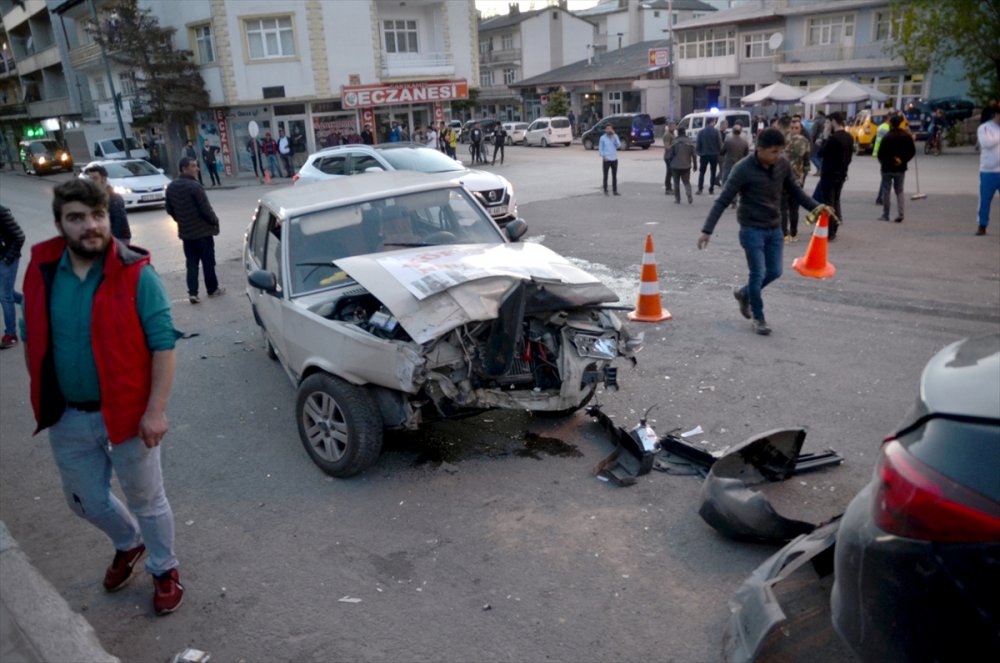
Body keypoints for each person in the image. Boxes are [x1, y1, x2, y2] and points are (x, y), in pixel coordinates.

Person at [21, 178, 184, 616]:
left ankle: (164, 568)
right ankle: (128, 543)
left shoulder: (136, 272)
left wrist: (157, 411)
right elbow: (30, 335)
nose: (90, 226)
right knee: (85, 501)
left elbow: (163, 342)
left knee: (147, 501)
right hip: (68, 417)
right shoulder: (41, 271)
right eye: (77, 218)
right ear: (61, 224)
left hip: (130, 417)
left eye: (97, 216)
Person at [697, 128, 833, 336]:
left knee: (774, 271)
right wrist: (707, 230)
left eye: (780, 151)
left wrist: (817, 207)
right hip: (751, 229)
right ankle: (758, 318)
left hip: (774, 227)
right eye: (774, 152)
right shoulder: (742, 169)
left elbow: (796, 191)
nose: (778, 156)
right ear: (759, 150)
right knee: (758, 272)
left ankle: (744, 293)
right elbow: (723, 200)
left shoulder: (782, 165)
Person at [165, 157, 224, 304]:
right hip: (203, 232)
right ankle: (212, 289)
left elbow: (169, 209)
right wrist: (215, 221)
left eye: (196, 166)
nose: (197, 169)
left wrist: (181, 219)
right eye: (193, 166)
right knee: (208, 262)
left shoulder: (171, 187)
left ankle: (193, 292)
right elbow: (206, 209)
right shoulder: (195, 186)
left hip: (187, 233)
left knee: (191, 264)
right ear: (184, 169)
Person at [816, 111, 853, 240]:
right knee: (836, 201)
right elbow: (849, 157)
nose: (826, 125)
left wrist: (825, 137)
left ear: (833, 122)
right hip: (841, 174)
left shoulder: (833, 138)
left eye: (827, 122)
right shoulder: (849, 137)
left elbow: (821, 153)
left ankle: (829, 230)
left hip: (829, 174)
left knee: (828, 202)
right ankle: (834, 227)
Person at [877, 113, 916, 224]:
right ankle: (900, 213)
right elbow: (912, 151)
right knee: (899, 191)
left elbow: (880, 154)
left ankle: (886, 214)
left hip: (887, 168)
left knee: (886, 191)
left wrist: (887, 161)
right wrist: (902, 160)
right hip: (900, 168)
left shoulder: (887, 137)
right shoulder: (906, 136)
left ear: (890, 123)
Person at [84, 164, 132, 243]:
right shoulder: (93, 196)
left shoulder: (113, 197)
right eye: (90, 179)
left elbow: (119, 222)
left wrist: (110, 241)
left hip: (118, 240)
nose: (92, 182)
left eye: (95, 178)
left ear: (104, 179)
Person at [782, 117, 812, 241]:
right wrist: (804, 175)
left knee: (786, 207)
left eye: (796, 128)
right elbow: (807, 163)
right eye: (793, 127)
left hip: (786, 179)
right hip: (796, 179)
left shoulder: (783, 140)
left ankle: (787, 232)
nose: (794, 130)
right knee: (792, 207)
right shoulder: (804, 142)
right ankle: (793, 233)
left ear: (800, 129)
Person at [0, 204, 24, 349]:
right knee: (9, 292)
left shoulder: (2, 212)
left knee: (4, 295)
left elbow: (19, 236)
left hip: (7, 259)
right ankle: (34, 305)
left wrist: (7, 258)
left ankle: (11, 335)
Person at [976, 110, 1000, 235]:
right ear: (996, 115)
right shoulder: (985, 127)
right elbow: (986, 143)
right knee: (985, 200)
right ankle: (982, 225)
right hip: (988, 171)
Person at [667, 127, 697, 204]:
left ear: (678, 133)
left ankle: (678, 199)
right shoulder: (690, 142)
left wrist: (669, 163)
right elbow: (694, 155)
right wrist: (695, 165)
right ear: (685, 133)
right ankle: (688, 193)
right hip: (686, 165)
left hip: (675, 166)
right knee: (686, 182)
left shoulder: (674, 142)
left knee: (676, 183)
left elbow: (670, 155)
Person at [696, 117, 722, 195]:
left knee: (702, 172)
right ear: (712, 122)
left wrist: (699, 152)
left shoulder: (701, 132)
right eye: (714, 121)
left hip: (704, 154)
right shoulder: (716, 132)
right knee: (713, 172)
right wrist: (719, 152)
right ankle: (711, 189)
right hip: (714, 154)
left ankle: (700, 188)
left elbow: (698, 144)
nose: (715, 123)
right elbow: (719, 143)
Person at [719, 123, 749, 188]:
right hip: (739, 162)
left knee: (725, 178)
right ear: (740, 131)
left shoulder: (728, 141)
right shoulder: (744, 142)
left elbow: (722, 152)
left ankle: (725, 191)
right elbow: (746, 155)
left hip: (729, 162)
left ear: (732, 131)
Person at [872, 113, 892, 205]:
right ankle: (881, 198)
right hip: (884, 156)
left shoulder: (881, 127)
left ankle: (880, 198)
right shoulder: (886, 128)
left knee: (885, 177)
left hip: (880, 155)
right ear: (887, 119)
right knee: (886, 178)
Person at [598, 123, 621, 196]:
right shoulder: (602, 138)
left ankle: (615, 191)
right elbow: (600, 149)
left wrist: (614, 136)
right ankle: (605, 190)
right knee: (606, 175)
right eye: (607, 129)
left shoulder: (615, 136)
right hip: (606, 159)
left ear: (612, 129)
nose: (609, 130)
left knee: (614, 176)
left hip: (614, 159)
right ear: (605, 130)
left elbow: (619, 145)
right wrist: (604, 156)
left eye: (610, 129)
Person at [662, 121, 676, 195]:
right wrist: (675, 145)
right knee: (669, 173)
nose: (675, 128)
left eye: (675, 126)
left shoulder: (672, 134)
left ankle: (669, 187)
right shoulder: (667, 135)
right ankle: (668, 188)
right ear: (669, 126)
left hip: (671, 156)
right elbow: (667, 147)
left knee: (670, 172)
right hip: (668, 156)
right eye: (673, 126)